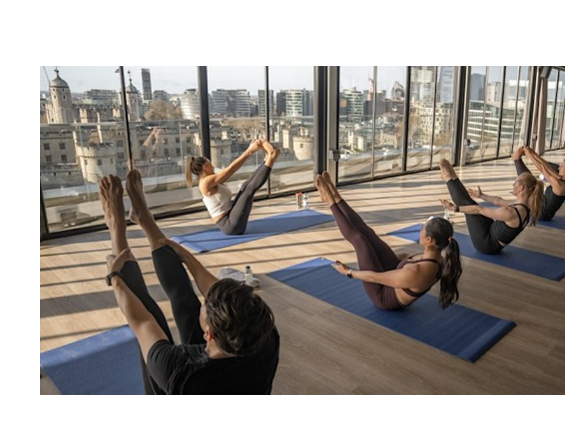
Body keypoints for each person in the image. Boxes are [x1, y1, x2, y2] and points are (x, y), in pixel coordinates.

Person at [100, 171, 279, 395]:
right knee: (185, 301)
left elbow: (143, 321)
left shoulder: (179, 372)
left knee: (154, 318)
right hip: (229, 369)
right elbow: (216, 291)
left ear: (208, 335)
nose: (205, 295)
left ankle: (118, 230)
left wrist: (115, 275)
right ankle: (145, 220)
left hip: (187, 385)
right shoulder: (264, 336)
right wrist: (185, 255)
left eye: (206, 304)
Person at [315, 172, 462, 311]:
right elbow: (405, 258)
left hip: (383, 296)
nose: (420, 230)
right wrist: (386, 256)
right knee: (368, 233)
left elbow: (375, 277)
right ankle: (336, 196)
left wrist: (349, 272)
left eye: (423, 229)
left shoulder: (417, 272)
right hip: (399, 274)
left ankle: (330, 201)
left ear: (429, 240)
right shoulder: (436, 256)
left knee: (360, 241)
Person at [438, 159, 544, 255]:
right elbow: (497, 201)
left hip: (486, 244)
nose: (513, 185)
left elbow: (479, 210)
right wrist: (481, 195)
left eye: (515, 183)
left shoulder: (511, 212)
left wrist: (454, 208)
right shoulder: (524, 206)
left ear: (521, 188)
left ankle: (448, 177)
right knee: (470, 203)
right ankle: (452, 176)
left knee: (469, 206)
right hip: (491, 233)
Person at [186, 140, 281, 235]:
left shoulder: (209, 180)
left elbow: (231, 171)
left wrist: (252, 151)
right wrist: (249, 151)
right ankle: (272, 156)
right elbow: (231, 169)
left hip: (230, 217)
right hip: (230, 225)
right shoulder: (205, 183)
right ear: (204, 167)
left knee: (245, 186)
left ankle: (268, 159)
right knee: (248, 190)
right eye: (210, 164)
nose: (213, 166)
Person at [512, 147, 564, 221]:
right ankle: (517, 159)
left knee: (529, 183)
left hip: (541, 213)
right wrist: (532, 152)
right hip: (540, 202)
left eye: (562, 165)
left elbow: (542, 168)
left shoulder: (560, 185)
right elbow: (547, 166)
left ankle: (516, 159)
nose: (560, 166)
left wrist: (529, 155)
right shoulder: (560, 178)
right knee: (531, 183)